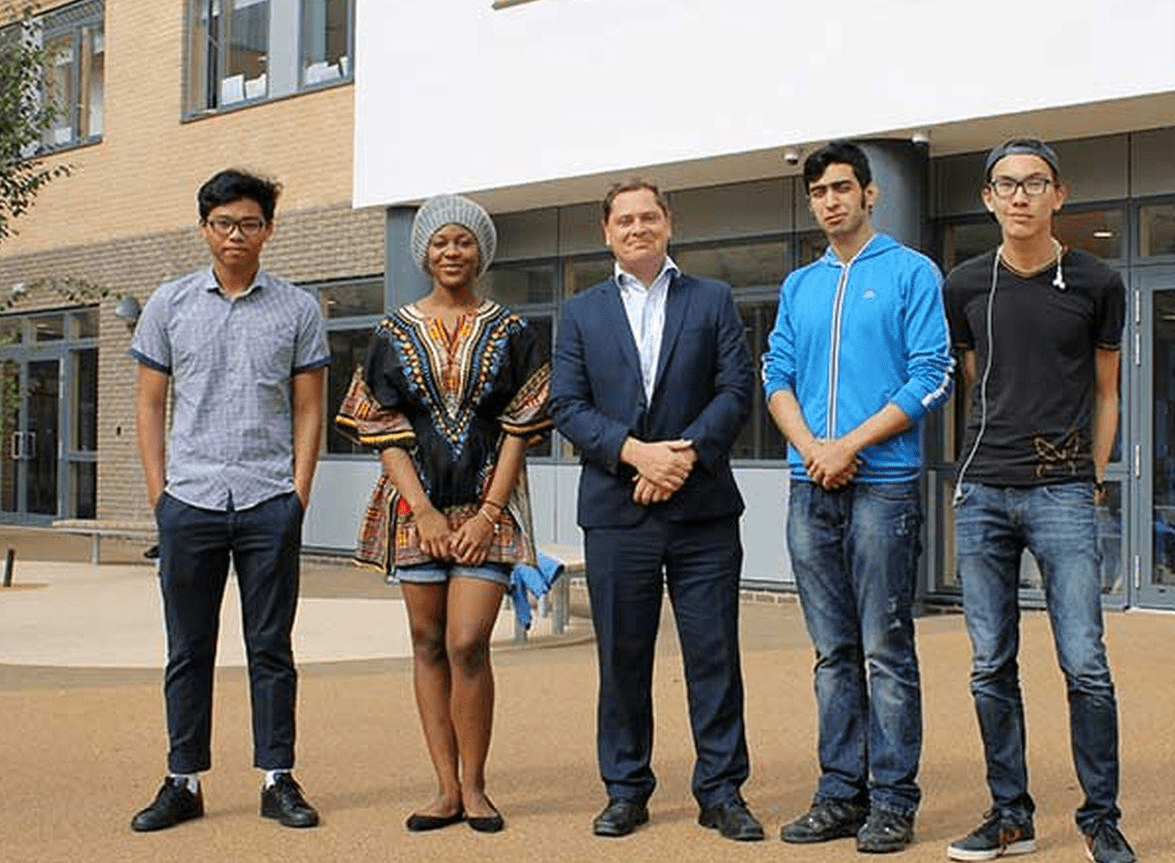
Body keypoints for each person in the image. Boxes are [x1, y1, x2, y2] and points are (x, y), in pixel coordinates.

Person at [941, 137, 1135, 863]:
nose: (1020, 195)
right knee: (990, 662)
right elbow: (975, 375)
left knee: (1085, 662)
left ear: (1060, 194)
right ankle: (1010, 815)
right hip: (983, 490)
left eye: (1034, 183)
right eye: (1006, 184)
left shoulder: (1097, 281)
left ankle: (1101, 819)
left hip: (1063, 492)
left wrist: (1091, 477)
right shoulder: (964, 284)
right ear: (988, 198)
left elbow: (1107, 391)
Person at [551, 180, 762, 842]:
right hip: (617, 512)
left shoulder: (713, 298)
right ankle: (625, 789)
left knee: (714, 655)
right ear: (606, 232)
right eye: (625, 220)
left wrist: (683, 458)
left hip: (703, 513)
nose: (637, 228)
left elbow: (736, 389)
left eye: (649, 216)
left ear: (669, 222)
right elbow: (567, 406)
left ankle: (721, 791)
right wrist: (637, 454)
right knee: (622, 657)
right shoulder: (580, 312)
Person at [335, 193, 551, 835]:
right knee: (427, 642)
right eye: (440, 242)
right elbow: (381, 427)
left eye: (463, 241)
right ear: (423, 253)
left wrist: (488, 514)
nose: (451, 252)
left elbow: (521, 426)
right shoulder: (392, 332)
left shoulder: (513, 330)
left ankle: (477, 786)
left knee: (467, 642)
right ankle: (445, 789)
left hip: (490, 505)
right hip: (415, 508)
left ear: (481, 252)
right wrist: (424, 511)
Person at [764, 141, 953, 854]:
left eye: (842, 187)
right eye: (819, 192)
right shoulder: (800, 285)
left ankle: (894, 800)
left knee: (885, 648)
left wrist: (850, 445)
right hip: (809, 483)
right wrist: (813, 448)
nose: (831, 201)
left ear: (869, 193)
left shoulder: (912, 272)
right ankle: (840, 794)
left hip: (884, 484)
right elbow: (776, 373)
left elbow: (931, 375)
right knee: (831, 651)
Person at [128, 169, 328, 832]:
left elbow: (309, 409)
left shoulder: (298, 309)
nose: (234, 235)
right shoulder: (170, 304)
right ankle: (182, 780)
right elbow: (150, 404)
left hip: (270, 499)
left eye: (247, 223)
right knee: (188, 647)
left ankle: (278, 778)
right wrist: (160, 497)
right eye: (222, 223)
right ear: (204, 228)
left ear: (267, 229)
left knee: (271, 646)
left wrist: (298, 494)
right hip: (191, 501)